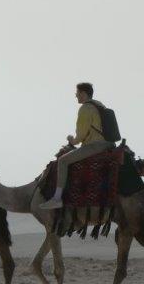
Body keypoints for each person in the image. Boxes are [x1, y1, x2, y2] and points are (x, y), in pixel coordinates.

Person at [39, 82, 115, 210]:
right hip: (108, 144)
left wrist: (71, 140)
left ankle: (57, 199)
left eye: (77, 93)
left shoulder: (85, 108)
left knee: (62, 161)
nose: (76, 96)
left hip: (96, 145)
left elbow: (80, 136)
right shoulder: (99, 104)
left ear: (84, 94)